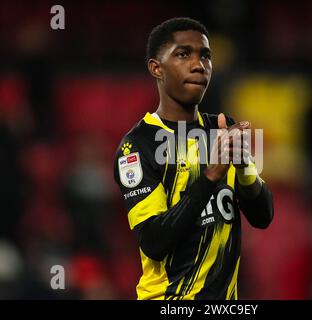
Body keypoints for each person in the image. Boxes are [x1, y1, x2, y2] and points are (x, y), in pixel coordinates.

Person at [113, 17, 273, 300]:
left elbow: (262, 217)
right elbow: (153, 240)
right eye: (183, 54)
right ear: (156, 68)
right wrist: (211, 176)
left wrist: (245, 167)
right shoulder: (137, 146)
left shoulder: (221, 130)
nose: (199, 65)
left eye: (206, 56)